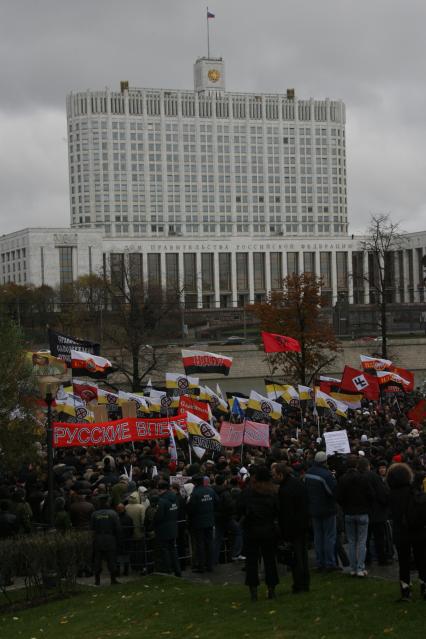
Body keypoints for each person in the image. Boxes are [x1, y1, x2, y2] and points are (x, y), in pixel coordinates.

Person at [237, 465, 279, 601]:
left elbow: (239, 509)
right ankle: (271, 588)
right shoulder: (272, 492)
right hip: (268, 529)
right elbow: (277, 510)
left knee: (252, 561)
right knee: (270, 560)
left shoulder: (247, 493)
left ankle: (253, 590)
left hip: (252, 531)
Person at [387, 463, 426, 601]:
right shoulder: (413, 491)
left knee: (403, 562)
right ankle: (424, 586)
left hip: (400, 531)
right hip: (417, 530)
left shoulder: (391, 494)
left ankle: (405, 590)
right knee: (421, 558)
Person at [273, 463, 310, 593]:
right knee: (302, 556)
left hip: (293, 528)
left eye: (275, 475)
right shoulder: (298, 483)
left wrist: (284, 533)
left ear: (280, 474)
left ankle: (299, 584)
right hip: (303, 525)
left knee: (297, 558)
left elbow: (286, 514)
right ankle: (304, 582)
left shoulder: (285, 490)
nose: (274, 478)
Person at [336, 455, 374, 577]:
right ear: (357, 465)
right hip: (362, 512)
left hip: (349, 513)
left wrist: (345, 506)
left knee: (352, 542)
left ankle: (353, 568)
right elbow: (371, 494)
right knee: (362, 542)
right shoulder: (363, 478)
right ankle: (360, 568)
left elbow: (338, 496)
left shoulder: (343, 479)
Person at [304, 451, 338, 572]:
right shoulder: (326, 475)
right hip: (327, 509)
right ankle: (329, 563)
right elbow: (333, 492)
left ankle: (320, 562)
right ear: (325, 462)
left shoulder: (308, 473)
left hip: (313, 510)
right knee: (329, 537)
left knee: (318, 537)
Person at [187, 474, 218, 573]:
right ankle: (210, 565)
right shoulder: (210, 490)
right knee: (209, 543)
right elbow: (217, 502)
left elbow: (191, 508)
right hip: (209, 520)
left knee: (200, 544)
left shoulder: (195, 493)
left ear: (195, 483)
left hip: (198, 522)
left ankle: (201, 566)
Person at [90, 493, 121, 585]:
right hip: (110, 539)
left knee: (97, 559)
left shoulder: (94, 514)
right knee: (111, 559)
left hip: (98, 539)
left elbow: (92, 528)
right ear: (107, 502)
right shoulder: (113, 514)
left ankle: (97, 580)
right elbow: (118, 528)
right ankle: (113, 579)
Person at [212, 475, 243, 563]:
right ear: (224, 482)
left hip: (217, 517)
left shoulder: (212, 491)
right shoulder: (225, 492)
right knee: (238, 531)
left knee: (218, 539)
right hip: (226, 517)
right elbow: (230, 506)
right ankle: (235, 554)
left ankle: (214, 560)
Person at [154, 480, 181, 577]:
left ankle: (168, 570)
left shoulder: (162, 501)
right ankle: (177, 570)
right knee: (173, 549)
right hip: (173, 527)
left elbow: (159, 516)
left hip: (163, 529)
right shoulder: (175, 498)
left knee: (165, 551)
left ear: (160, 489)